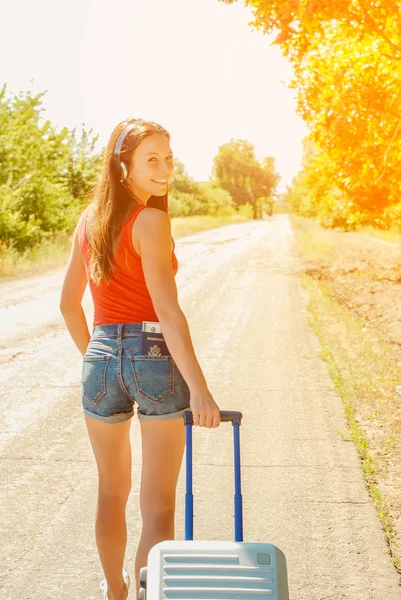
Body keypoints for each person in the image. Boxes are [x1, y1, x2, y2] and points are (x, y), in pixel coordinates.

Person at [59, 117, 221, 600]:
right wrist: (201, 390)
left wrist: (100, 356)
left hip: (100, 356)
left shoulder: (88, 221)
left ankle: (115, 591)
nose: (165, 167)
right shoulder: (151, 221)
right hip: (152, 356)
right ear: (122, 165)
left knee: (111, 490)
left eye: (168, 157)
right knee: (158, 506)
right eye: (152, 158)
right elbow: (168, 313)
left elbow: (69, 306)